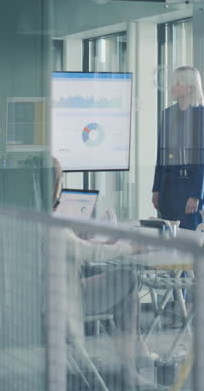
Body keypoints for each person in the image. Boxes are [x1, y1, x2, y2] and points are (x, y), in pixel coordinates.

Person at [52, 157, 156, 389]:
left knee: (127, 298)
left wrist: (89, 242)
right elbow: (93, 255)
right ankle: (132, 365)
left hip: (55, 296)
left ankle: (130, 368)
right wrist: (129, 247)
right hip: (67, 302)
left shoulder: (33, 216)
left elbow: (80, 249)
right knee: (128, 278)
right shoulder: (52, 224)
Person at [152, 66, 204, 231]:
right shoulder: (167, 114)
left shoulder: (202, 115)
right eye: (173, 82)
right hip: (168, 188)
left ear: (190, 87)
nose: (172, 87)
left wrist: (195, 194)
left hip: (190, 191)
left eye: (177, 83)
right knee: (167, 238)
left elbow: (202, 158)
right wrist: (156, 188)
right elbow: (161, 155)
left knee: (190, 239)